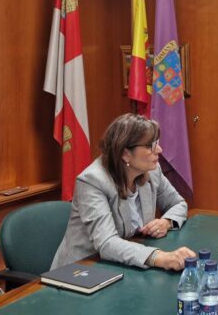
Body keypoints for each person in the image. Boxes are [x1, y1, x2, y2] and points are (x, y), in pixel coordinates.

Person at [51, 113, 195, 271]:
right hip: (81, 269)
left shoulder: (152, 172)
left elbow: (178, 204)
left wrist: (166, 222)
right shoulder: (92, 181)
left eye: (156, 143)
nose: (159, 150)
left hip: (122, 264)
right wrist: (159, 257)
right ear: (125, 154)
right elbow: (107, 243)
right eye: (150, 146)